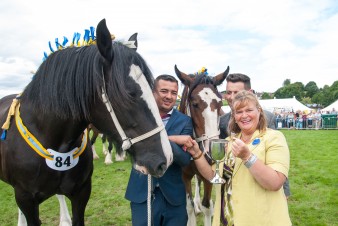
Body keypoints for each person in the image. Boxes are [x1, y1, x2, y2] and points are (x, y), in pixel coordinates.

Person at [187, 90, 291, 225]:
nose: (244, 115)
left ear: (259, 111)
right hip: (228, 220)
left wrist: (247, 157)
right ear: (234, 116)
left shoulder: (273, 137)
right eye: (239, 112)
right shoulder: (228, 142)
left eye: (249, 110)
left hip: (261, 220)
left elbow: (275, 182)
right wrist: (197, 154)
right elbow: (214, 176)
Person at [125, 74, 194, 226]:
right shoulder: (137, 117)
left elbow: (184, 159)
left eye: (174, 93)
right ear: (153, 92)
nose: (169, 96)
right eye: (164, 91)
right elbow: (132, 146)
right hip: (142, 193)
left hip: (174, 197)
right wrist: (174, 139)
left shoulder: (185, 121)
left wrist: (154, 140)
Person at [219, 73, 291, 199]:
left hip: (263, 188)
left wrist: (284, 191)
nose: (231, 97)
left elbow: (276, 158)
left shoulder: (268, 118)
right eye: (228, 92)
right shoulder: (222, 121)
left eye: (236, 92)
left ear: (250, 93)